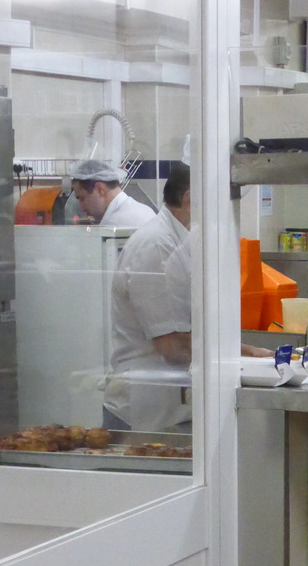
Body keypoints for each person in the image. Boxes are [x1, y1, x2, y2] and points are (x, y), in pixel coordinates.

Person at [103, 162, 271, 431]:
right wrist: (242, 359)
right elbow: (170, 345)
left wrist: (243, 353)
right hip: (144, 412)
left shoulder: (180, 240)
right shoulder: (155, 246)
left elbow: (190, 329)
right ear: (190, 198)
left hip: (169, 405)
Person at [69, 158, 155, 227]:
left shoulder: (114, 223)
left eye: (82, 198)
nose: (82, 208)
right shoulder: (145, 210)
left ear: (99, 189)